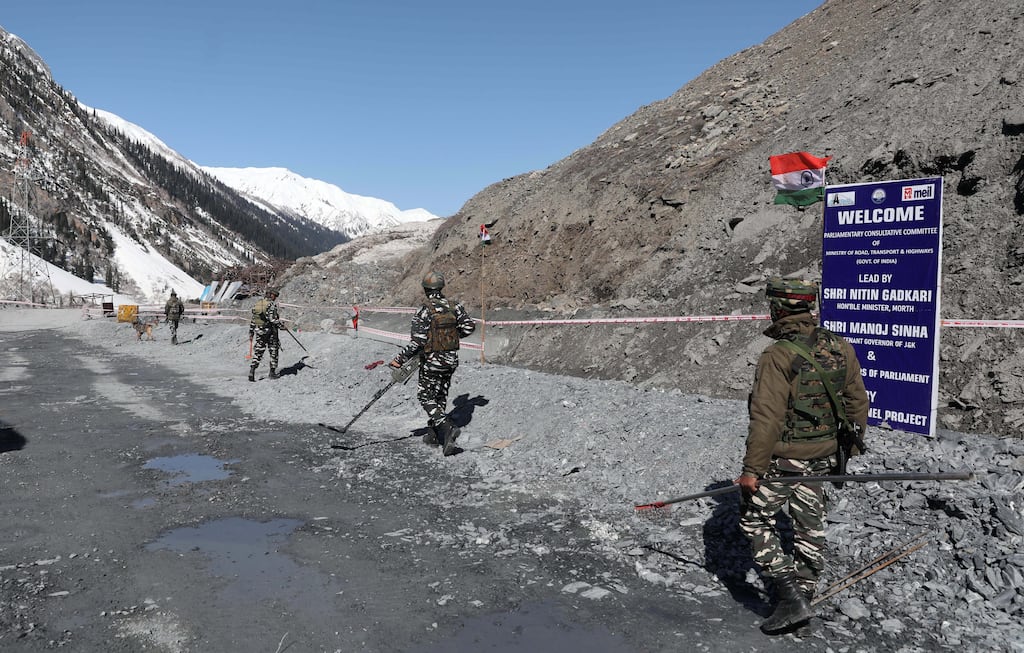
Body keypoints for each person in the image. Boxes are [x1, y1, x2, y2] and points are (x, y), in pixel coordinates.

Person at [734, 277, 869, 634]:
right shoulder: (840, 346)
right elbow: (857, 403)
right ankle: (803, 603)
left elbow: (767, 417)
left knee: (753, 520)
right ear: (809, 307)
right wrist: (847, 451)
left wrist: (752, 470)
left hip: (784, 461)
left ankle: (791, 597)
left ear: (778, 309)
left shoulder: (777, 355)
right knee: (810, 529)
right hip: (824, 456)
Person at [389, 271, 475, 456]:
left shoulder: (425, 310)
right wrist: (450, 337)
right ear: (441, 287)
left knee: (425, 396)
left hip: (431, 361)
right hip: (451, 360)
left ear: (426, 289)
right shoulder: (455, 306)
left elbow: (418, 342)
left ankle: (446, 426)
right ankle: (435, 435)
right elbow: (469, 327)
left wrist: (399, 359)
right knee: (440, 395)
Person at [248, 287, 283, 382]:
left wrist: (251, 331)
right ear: (271, 295)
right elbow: (272, 319)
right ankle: (272, 373)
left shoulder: (259, 304)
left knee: (258, 352)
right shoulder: (271, 305)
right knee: (273, 351)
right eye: (275, 296)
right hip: (270, 332)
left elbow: (253, 319)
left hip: (259, 331)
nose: (275, 298)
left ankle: (252, 370)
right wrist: (281, 325)